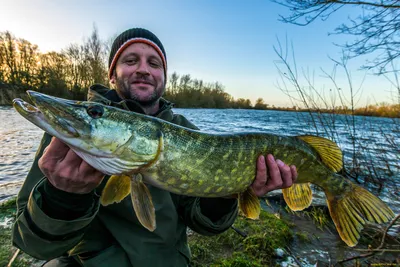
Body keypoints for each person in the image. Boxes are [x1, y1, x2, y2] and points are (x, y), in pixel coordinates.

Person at [12, 28, 297, 267]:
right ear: (112, 74)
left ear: (163, 77)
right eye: (131, 60)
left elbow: (205, 224)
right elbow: (32, 244)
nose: (143, 70)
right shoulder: (67, 141)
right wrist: (62, 198)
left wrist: (226, 193)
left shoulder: (185, 129)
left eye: (154, 63)